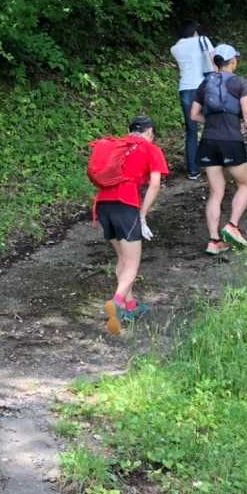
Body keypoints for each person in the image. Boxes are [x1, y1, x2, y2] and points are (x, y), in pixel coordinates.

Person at [90, 115, 168, 335]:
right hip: (125, 205)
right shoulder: (151, 149)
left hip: (103, 204)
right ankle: (116, 303)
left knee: (123, 258)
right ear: (149, 132)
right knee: (132, 264)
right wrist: (142, 214)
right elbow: (155, 185)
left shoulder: (117, 146)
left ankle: (129, 305)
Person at [190, 44, 247, 255]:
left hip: (208, 141)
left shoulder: (205, 83)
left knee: (216, 192)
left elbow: (194, 115)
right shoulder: (239, 82)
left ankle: (213, 241)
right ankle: (232, 225)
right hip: (231, 141)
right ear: (233, 61)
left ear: (216, 62)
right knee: (245, 184)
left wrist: (212, 121)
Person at [169, 21, 215, 179]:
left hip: (185, 89)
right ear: (195, 31)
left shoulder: (175, 48)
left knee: (191, 130)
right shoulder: (202, 40)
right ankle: (214, 162)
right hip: (204, 87)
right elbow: (214, 60)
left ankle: (193, 170)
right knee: (213, 123)